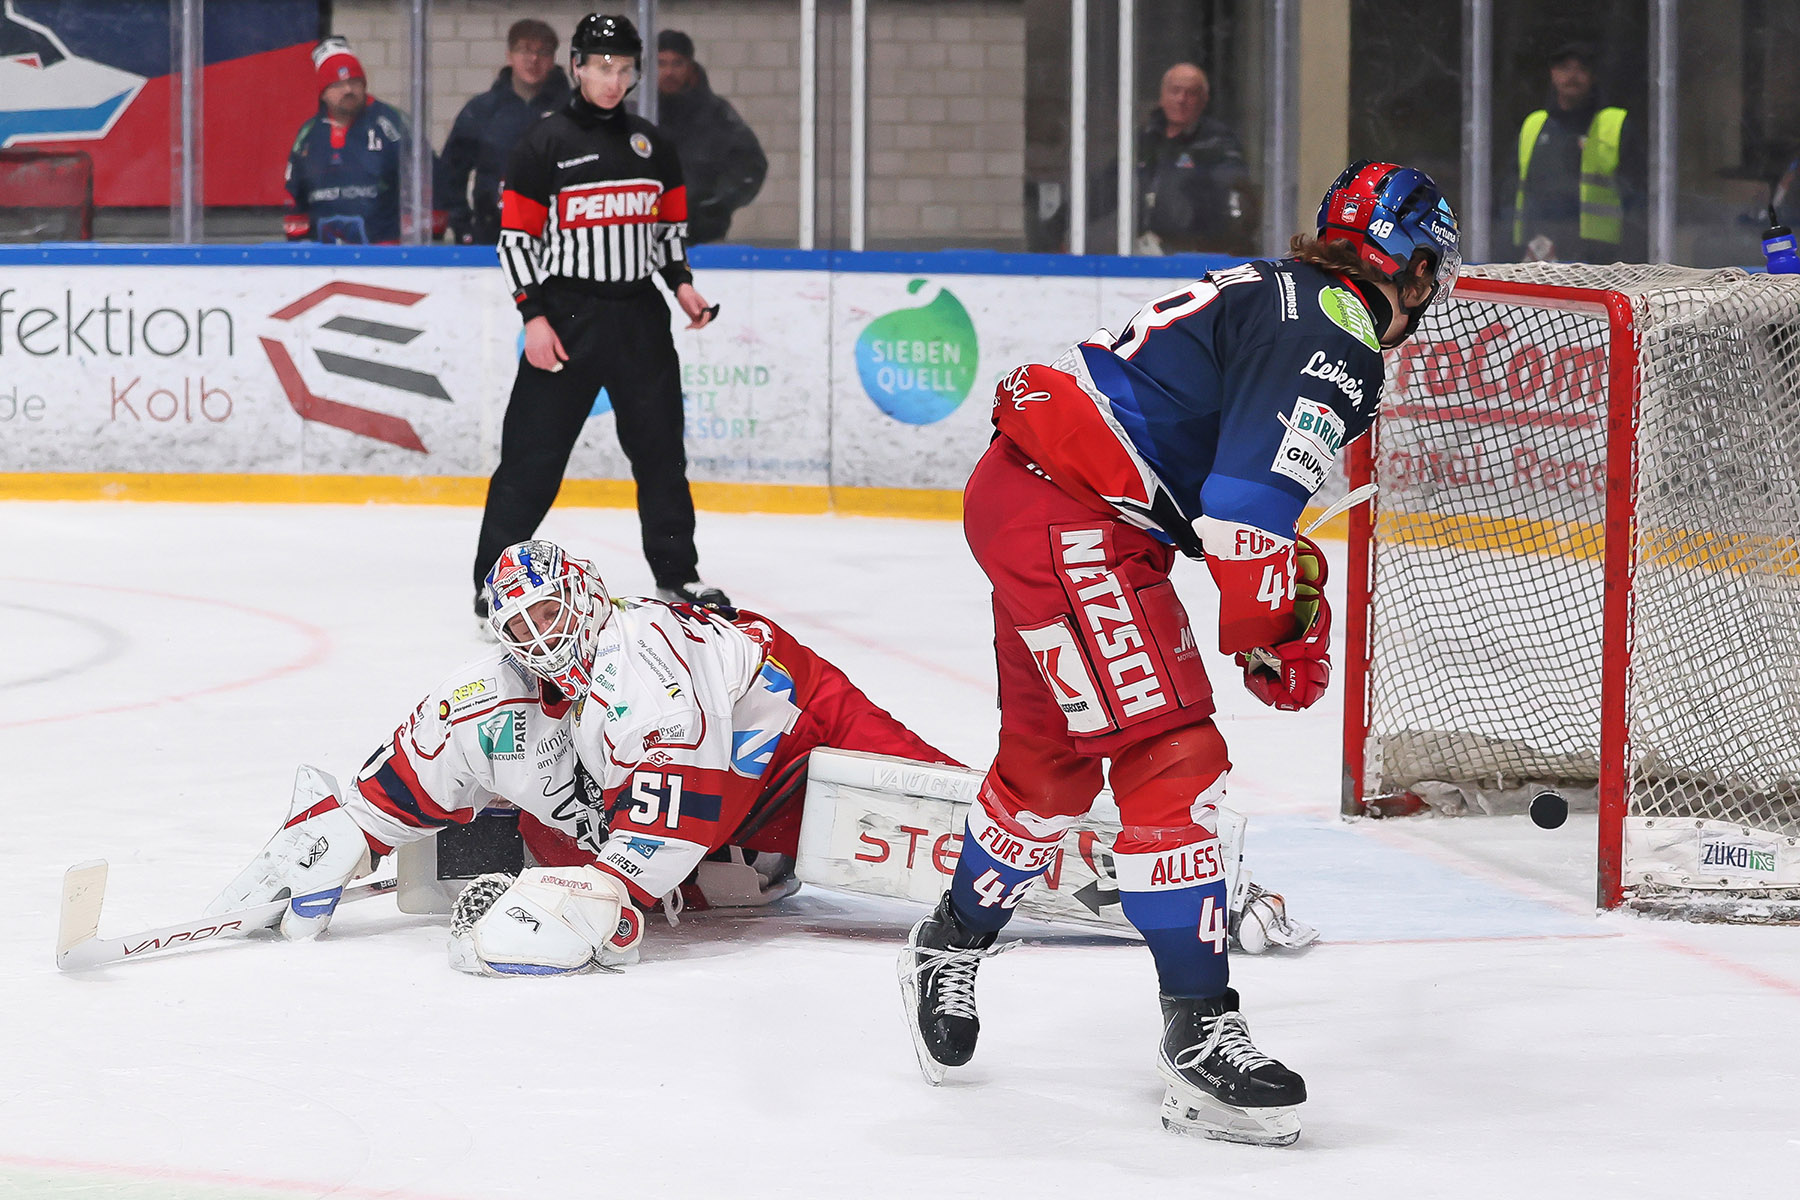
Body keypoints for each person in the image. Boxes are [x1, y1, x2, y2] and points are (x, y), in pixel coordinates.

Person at [897, 161, 1459, 1145]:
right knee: (1172, 759)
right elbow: (1243, 515)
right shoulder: (1341, 332)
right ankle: (1199, 1033)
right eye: (1431, 270)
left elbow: (1224, 488)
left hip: (1040, 499)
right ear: (1409, 265)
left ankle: (949, 940)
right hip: (1076, 521)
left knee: (1051, 765)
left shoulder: (1280, 289)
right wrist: (1272, 626)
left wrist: (1275, 590)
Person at [210, 538, 955, 976]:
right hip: (698, 796)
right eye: (520, 627)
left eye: (549, 611)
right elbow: (434, 746)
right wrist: (348, 828)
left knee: (962, 825)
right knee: (570, 824)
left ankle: (1030, 822)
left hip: (791, 729)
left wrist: (603, 896)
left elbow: (672, 821)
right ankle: (738, 871)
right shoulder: (497, 689)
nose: (540, 638)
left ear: (587, 592)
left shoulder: (643, 662)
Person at [473, 12, 728, 620]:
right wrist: (533, 317)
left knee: (661, 453)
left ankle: (678, 575)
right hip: (566, 314)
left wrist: (683, 286)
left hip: (640, 315)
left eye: (623, 69)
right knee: (531, 458)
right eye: (601, 67)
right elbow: (515, 241)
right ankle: (493, 586)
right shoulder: (545, 143)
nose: (613, 81)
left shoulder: (652, 145)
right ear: (577, 68)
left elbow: (667, 232)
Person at [284, 38, 437, 245]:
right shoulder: (309, 134)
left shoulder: (393, 123)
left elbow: (427, 177)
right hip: (323, 258)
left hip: (387, 255)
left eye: (355, 82)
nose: (348, 90)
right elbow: (295, 194)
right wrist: (299, 246)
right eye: (337, 84)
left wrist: (417, 237)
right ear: (323, 92)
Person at [437, 19, 572, 246]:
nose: (533, 60)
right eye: (524, 50)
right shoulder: (482, 110)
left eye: (543, 52)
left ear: (553, 59)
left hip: (561, 238)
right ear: (509, 55)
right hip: (493, 237)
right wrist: (463, 226)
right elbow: (450, 173)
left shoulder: (573, 110)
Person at [1511, 42, 1645, 263]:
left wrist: (1631, 252)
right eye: (1564, 68)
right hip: (1538, 251)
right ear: (1552, 74)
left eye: (1581, 69)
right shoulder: (1534, 125)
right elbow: (1513, 187)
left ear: (1593, 77)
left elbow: (1637, 194)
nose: (1573, 76)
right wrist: (1512, 243)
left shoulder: (1614, 124)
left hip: (1600, 256)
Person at [654, 29, 768, 245]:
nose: (669, 72)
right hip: (642, 238)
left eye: (677, 63)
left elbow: (750, 165)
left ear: (690, 67)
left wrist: (717, 205)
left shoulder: (716, 114)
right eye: (661, 63)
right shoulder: (636, 113)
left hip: (703, 239)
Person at [1134, 63, 1254, 255]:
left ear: (1204, 99)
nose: (1182, 99)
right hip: (1147, 252)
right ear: (1162, 96)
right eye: (1175, 91)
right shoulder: (1146, 140)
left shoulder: (1218, 143)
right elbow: (1110, 186)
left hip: (1196, 255)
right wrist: (1068, 223)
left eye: (1191, 93)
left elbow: (1236, 193)